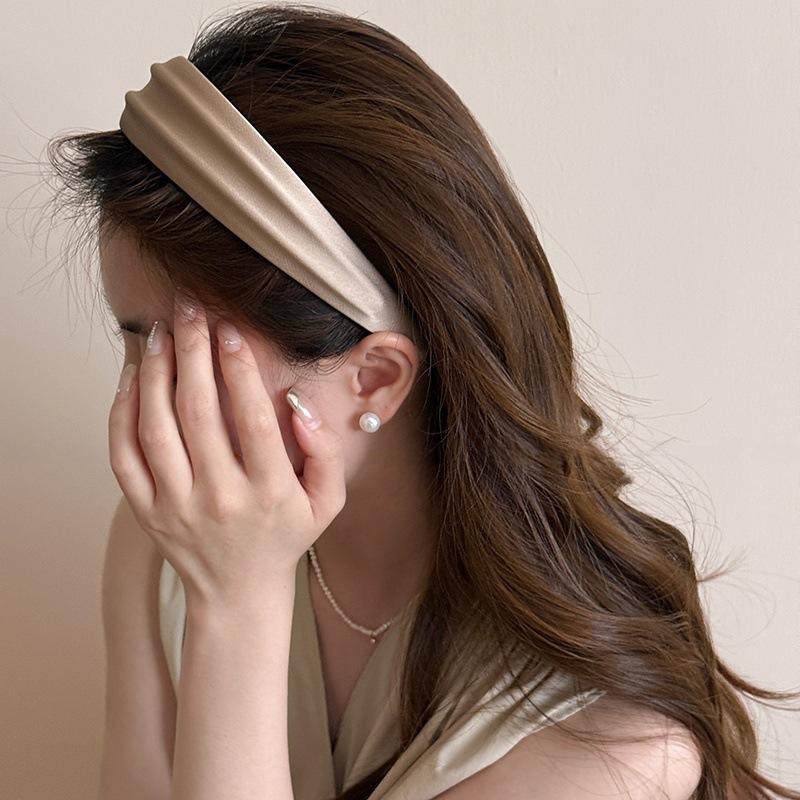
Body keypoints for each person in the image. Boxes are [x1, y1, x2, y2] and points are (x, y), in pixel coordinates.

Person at [46, 5, 798, 800]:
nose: (147, 409)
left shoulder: (615, 745)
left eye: (185, 358)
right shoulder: (163, 543)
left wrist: (236, 608)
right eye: (133, 343)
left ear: (375, 378)